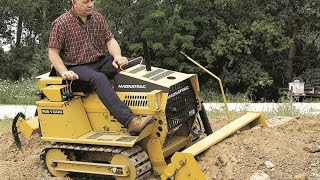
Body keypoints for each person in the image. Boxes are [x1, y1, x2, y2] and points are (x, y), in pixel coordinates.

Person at [48, 0, 153, 135]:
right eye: (85, 2)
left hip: (99, 62)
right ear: (74, 2)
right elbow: (53, 52)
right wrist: (64, 72)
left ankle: (152, 109)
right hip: (75, 67)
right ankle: (131, 122)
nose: (90, 4)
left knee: (132, 65)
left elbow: (110, 40)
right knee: (99, 79)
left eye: (92, 0)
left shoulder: (98, 17)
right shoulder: (61, 23)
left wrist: (117, 56)